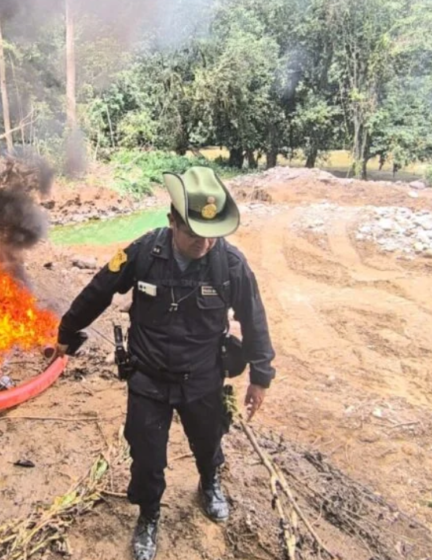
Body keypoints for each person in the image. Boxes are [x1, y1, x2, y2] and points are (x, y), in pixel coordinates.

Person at [55, 166, 276, 560]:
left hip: (204, 379)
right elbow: (99, 291)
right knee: (146, 457)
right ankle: (149, 515)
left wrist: (261, 377)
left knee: (209, 443)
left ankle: (209, 484)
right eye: (193, 232)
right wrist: (67, 332)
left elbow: (254, 318)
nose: (204, 243)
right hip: (149, 379)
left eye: (212, 234)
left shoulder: (230, 264)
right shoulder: (143, 252)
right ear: (172, 220)